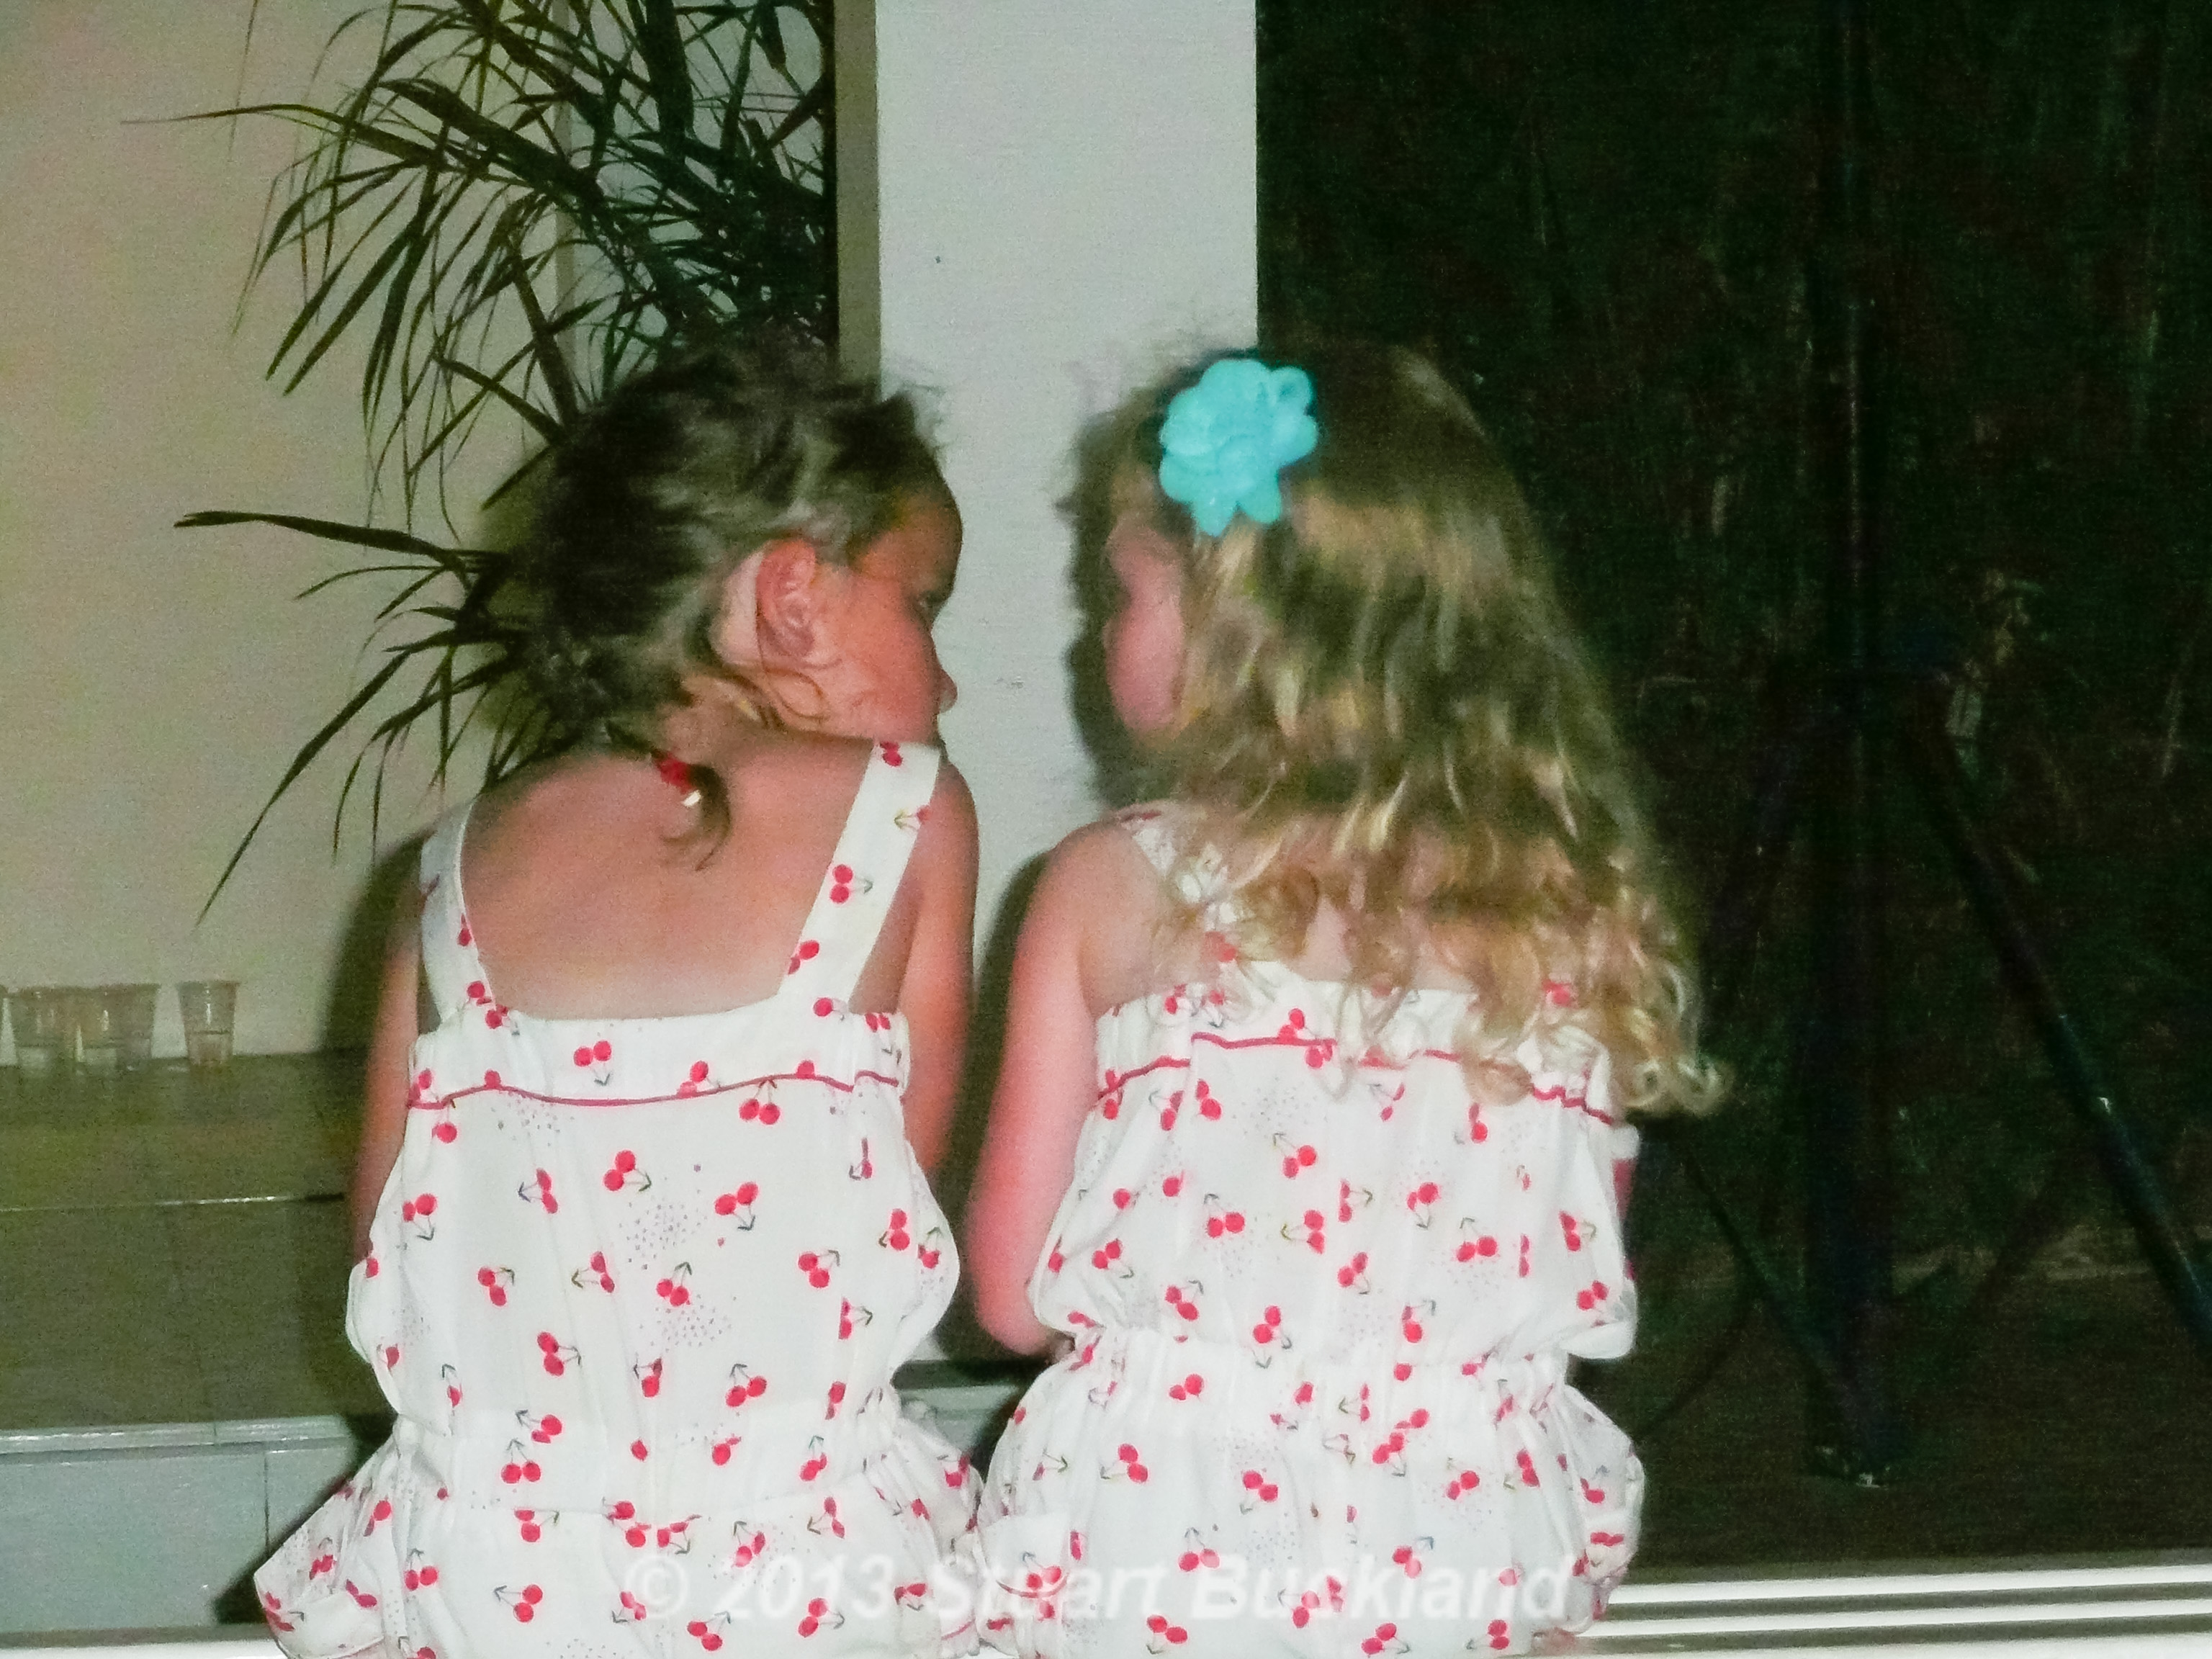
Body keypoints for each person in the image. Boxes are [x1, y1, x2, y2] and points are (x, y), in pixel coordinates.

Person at [964, 346, 1720, 1657]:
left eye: (1121, 593)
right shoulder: (1576, 914)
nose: (1098, 634)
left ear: (1241, 630)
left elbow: (1014, 1299)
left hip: (1162, 1552)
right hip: (1461, 1551)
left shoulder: (1107, 888)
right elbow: (1572, 1264)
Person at [256, 341, 986, 1658]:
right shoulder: (906, 809)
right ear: (794, 598)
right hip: (794, 1570)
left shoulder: (453, 863)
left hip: (495, 1575)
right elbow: (897, 1193)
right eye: (924, 604)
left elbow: (384, 1241)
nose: (944, 678)